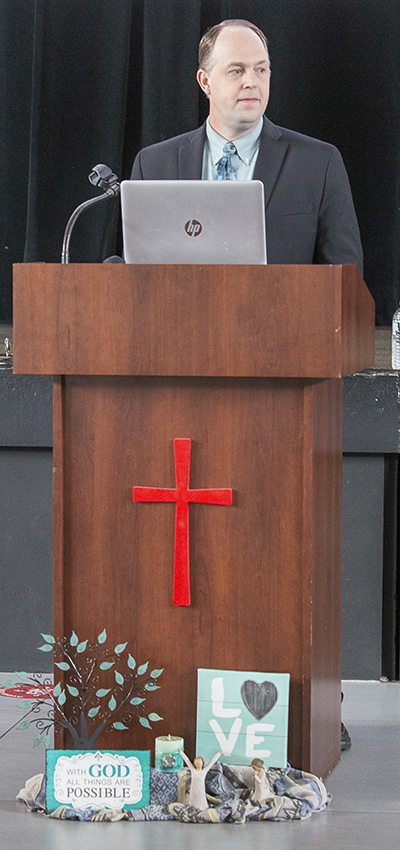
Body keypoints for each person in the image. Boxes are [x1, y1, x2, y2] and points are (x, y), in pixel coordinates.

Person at [131, 18, 363, 273]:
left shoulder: (318, 164)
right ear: (205, 82)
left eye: (261, 70)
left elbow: (345, 282)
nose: (251, 82)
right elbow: (136, 280)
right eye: (237, 70)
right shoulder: (153, 166)